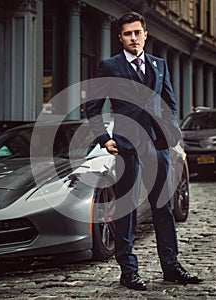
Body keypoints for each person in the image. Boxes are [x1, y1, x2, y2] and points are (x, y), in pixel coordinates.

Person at [86, 11, 203, 291]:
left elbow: (170, 103)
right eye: (128, 34)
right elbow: (92, 107)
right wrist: (104, 138)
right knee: (127, 210)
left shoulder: (159, 64)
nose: (134, 38)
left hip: (159, 147)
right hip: (127, 147)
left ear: (145, 34)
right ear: (120, 38)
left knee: (163, 207)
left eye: (137, 33)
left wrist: (171, 132)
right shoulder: (109, 66)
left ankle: (171, 267)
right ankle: (128, 271)